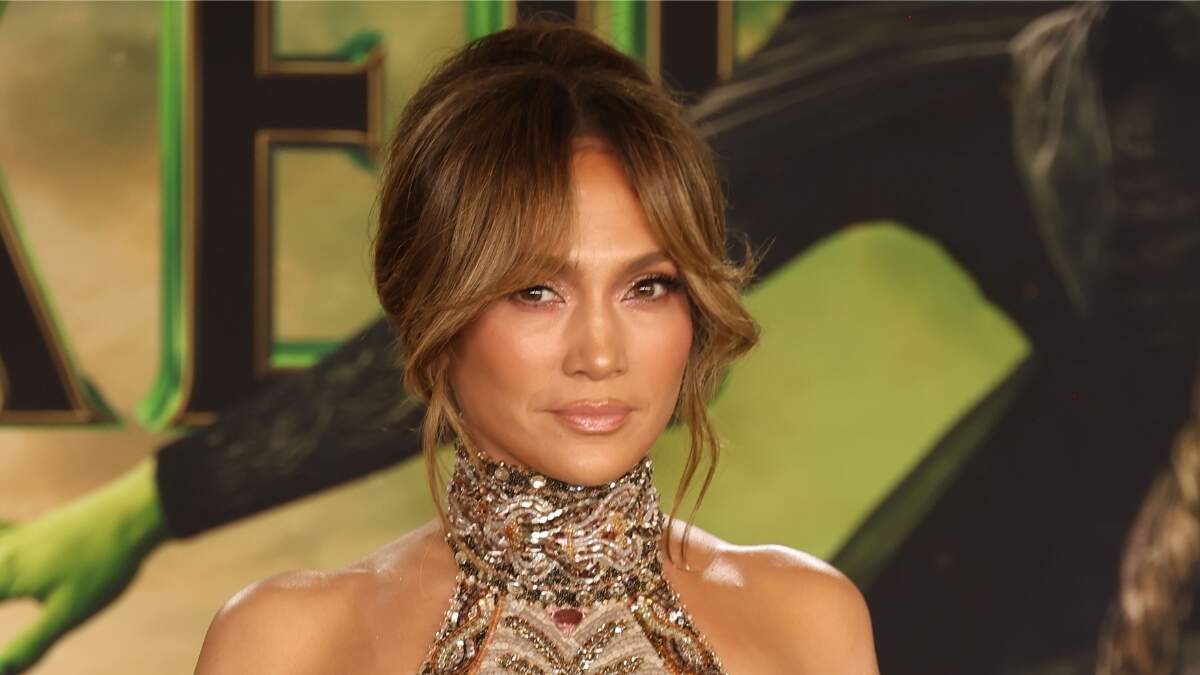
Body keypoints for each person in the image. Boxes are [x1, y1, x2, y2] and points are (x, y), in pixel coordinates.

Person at [190, 21, 878, 675]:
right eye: (536, 291)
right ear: (432, 307)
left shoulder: (808, 622)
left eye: (647, 286)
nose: (600, 355)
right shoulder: (287, 644)